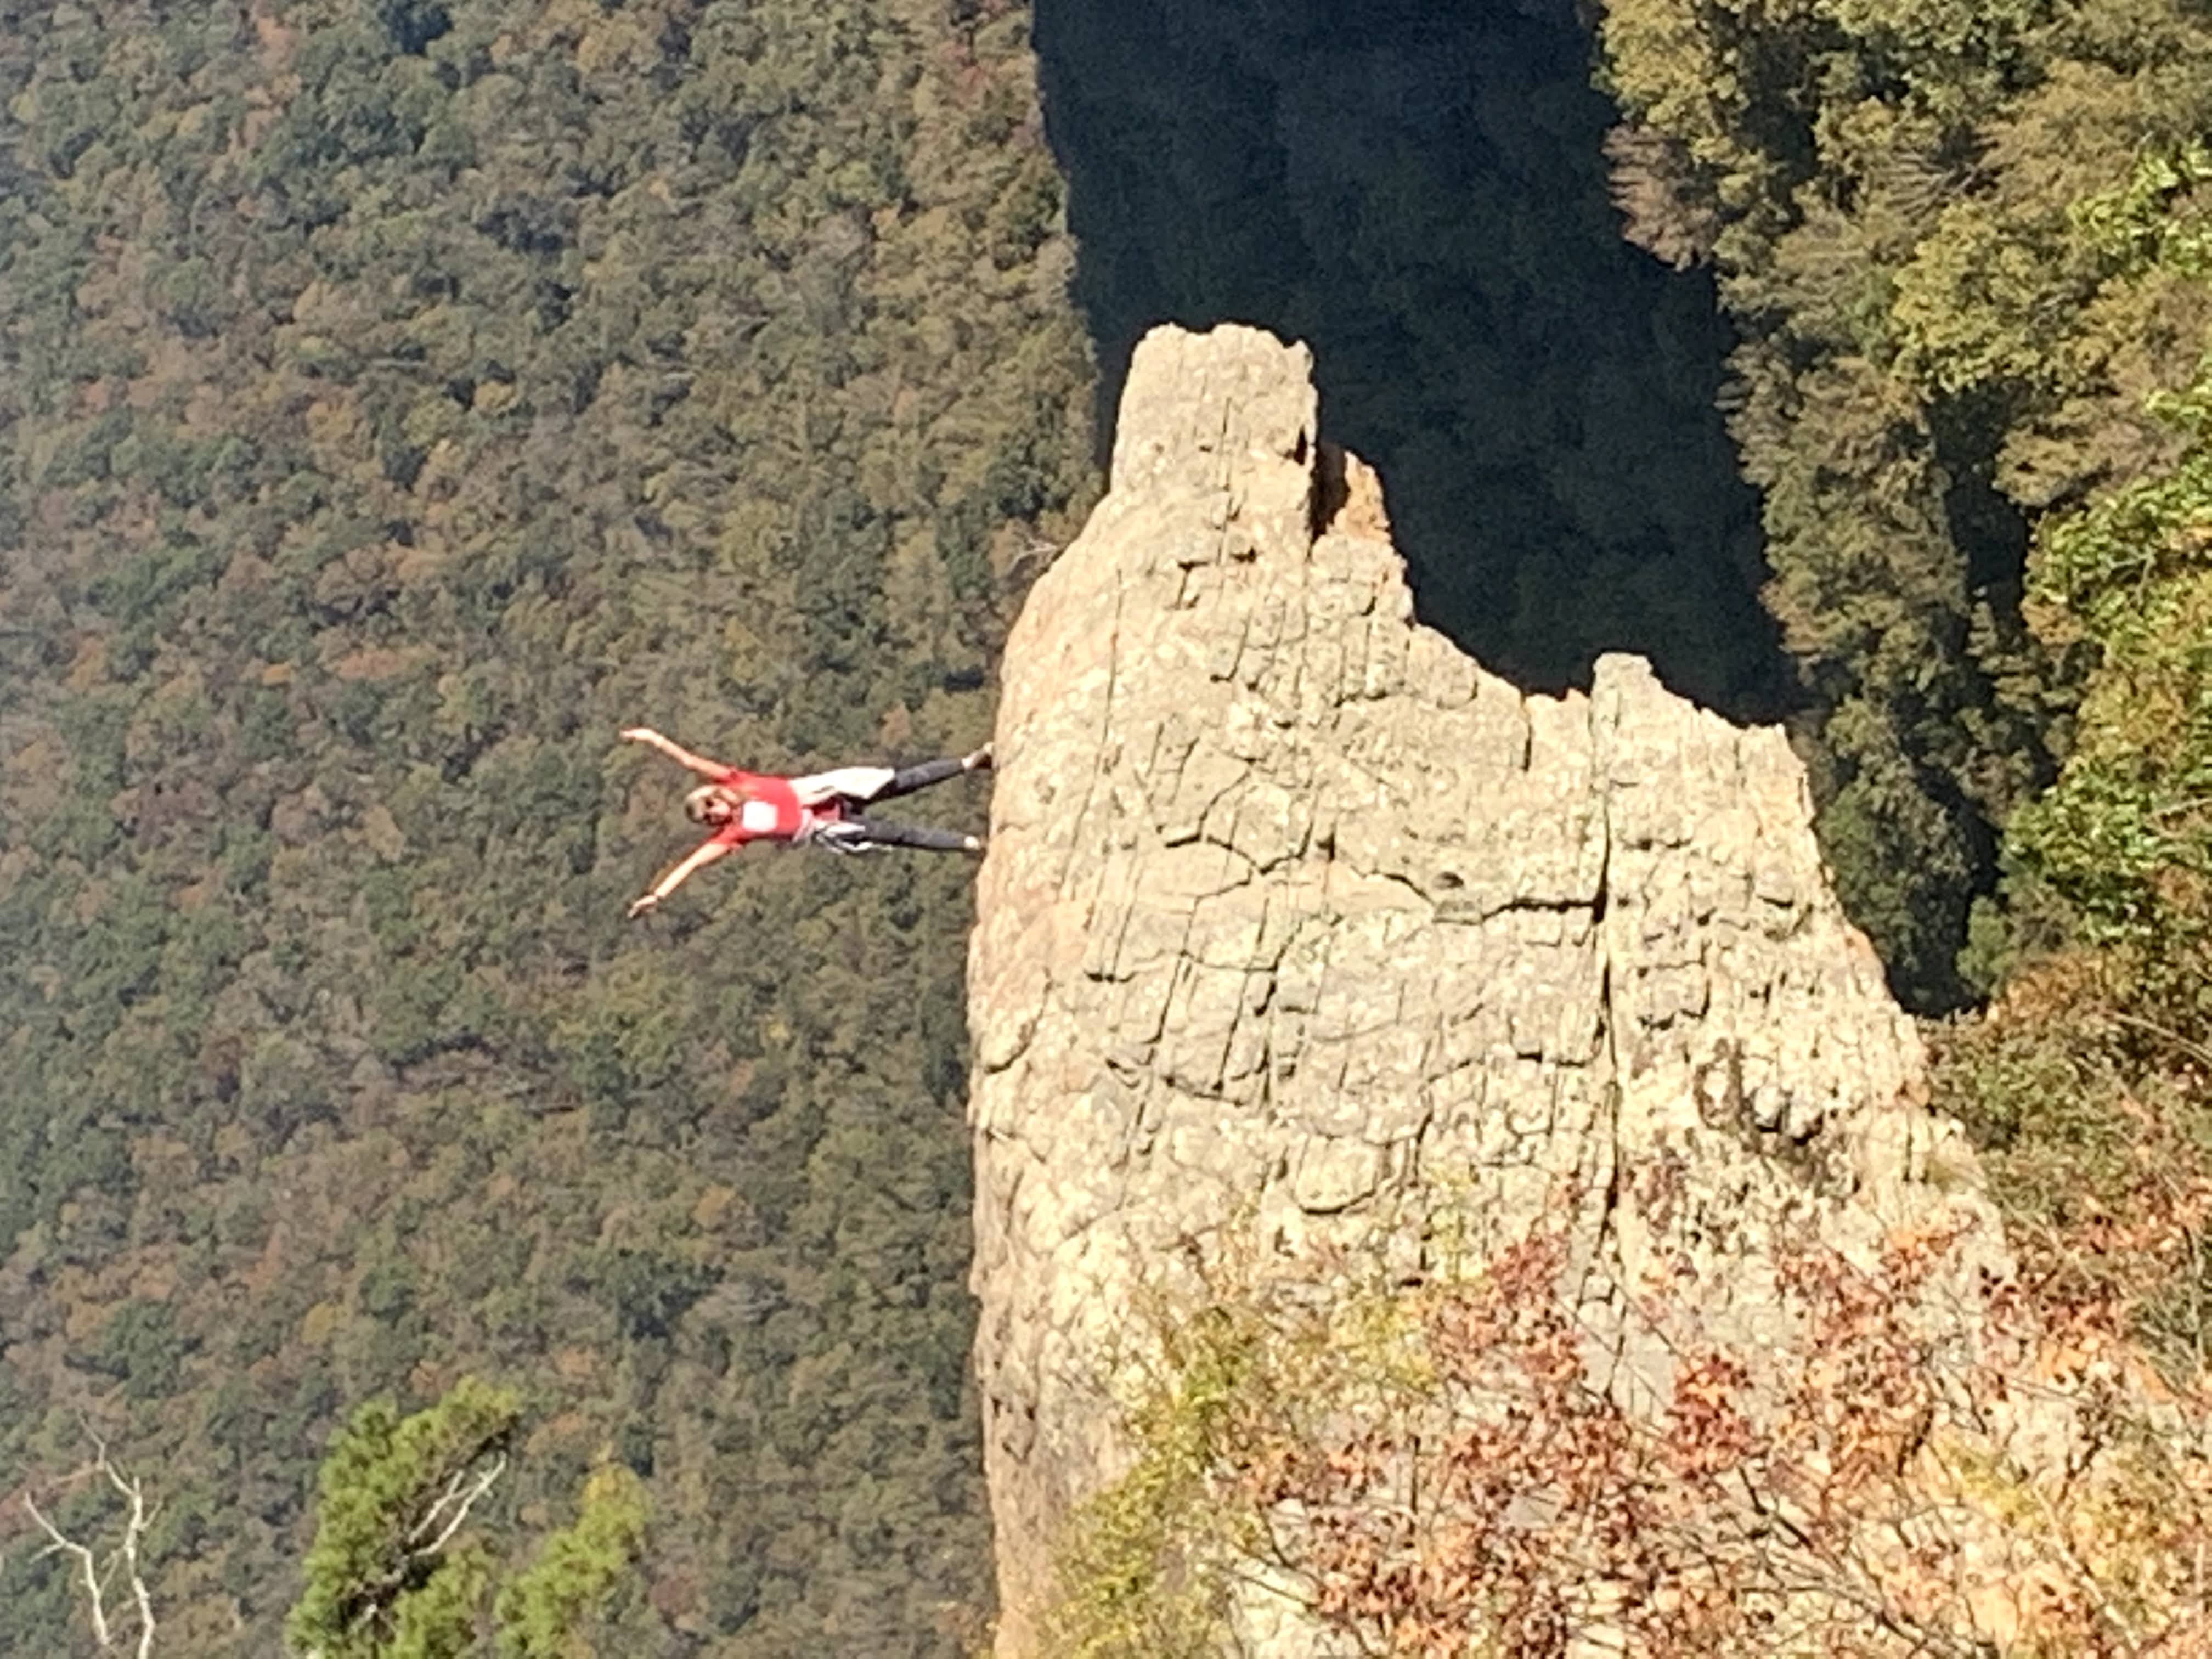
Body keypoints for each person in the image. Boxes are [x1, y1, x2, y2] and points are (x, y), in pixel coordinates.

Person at [621, 726, 991, 917]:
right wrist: (657, 896)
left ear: (713, 797)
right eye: (709, 820)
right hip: (827, 828)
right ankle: (969, 844)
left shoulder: (737, 783)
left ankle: (968, 763)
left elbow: (688, 761)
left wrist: (653, 739)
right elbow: (692, 864)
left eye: (710, 810)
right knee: (899, 835)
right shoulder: (734, 833)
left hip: (830, 793)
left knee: (901, 781)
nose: (715, 817)